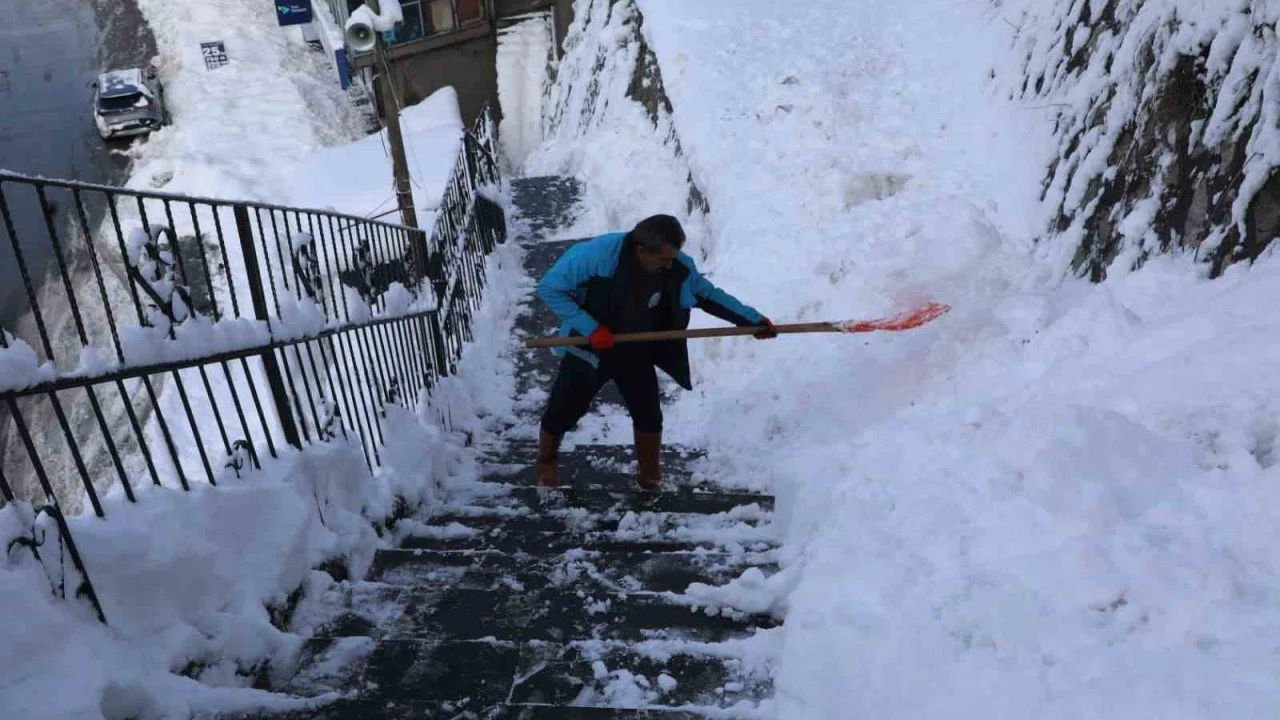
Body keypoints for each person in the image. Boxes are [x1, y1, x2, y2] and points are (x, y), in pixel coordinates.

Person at [535, 214, 777, 491]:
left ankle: (649, 476)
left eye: (673, 258)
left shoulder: (678, 268)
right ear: (641, 251)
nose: (669, 265)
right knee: (563, 410)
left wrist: (751, 320)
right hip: (588, 350)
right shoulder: (596, 256)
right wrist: (591, 329)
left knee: (649, 414)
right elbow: (550, 288)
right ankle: (546, 461)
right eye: (663, 259)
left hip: (636, 351)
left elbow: (708, 295)